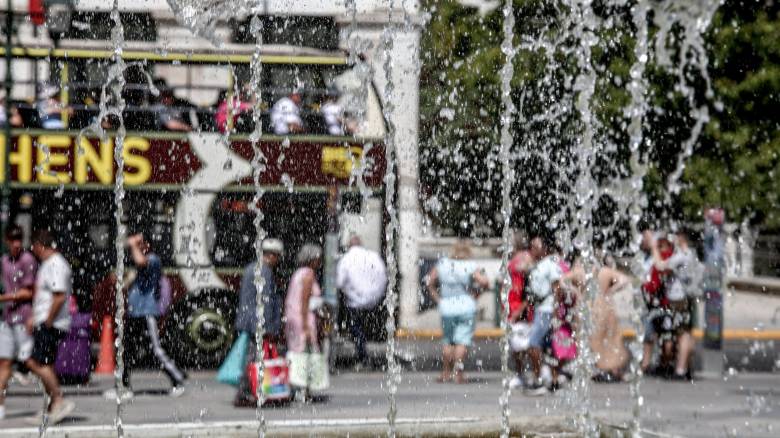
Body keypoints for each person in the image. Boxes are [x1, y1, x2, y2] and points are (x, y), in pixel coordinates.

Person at [105, 233, 187, 400]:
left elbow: (141, 262)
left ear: (148, 245)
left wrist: (133, 244)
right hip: (135, 312)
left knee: (155, 350)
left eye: (141, 243)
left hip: (147, 313)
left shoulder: (153, 259)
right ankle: (123, 386)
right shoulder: (140, 264)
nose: (137, 246)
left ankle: (178, 379)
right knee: (125, 350)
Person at [25, 229, 75, 423]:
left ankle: (59, 399)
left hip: (52, 323)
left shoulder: (56, 264)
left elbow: (60, 295)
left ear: (40, 245)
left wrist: (47, 320)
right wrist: (34, 318)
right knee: (45, 364)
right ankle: (52, 407)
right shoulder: (49, 264)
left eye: (34, 246)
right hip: (46, 321)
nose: (33, 250)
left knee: (35, 362)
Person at [426, 240, 489, 384]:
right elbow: (485, 282)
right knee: (462, 341)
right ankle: (458, 373)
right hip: (466, 306)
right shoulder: (470, 266)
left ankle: (445, 372)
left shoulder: (443, 264)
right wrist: (476, 296)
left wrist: (438, 299)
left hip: (447, 307)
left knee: (448, 341)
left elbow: (429, 281)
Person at [233, 238, 285, 407]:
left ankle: (247, 391)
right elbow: (266, 302)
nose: (278, 260)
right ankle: (246, 392)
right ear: (271, 255)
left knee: (252, 358)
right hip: (258, 323)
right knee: (255, 359)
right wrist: (269, 327)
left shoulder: (251, 268)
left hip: (248, 321)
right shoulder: (265, 272)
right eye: (277, 256)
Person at [650, 229, 701, 380]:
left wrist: (654, 247)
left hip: (679, 298)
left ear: (682, 239)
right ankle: (687, 367)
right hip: (687, 298)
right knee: (687, 332)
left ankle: (680, 369)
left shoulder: (681, 256)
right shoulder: (692, 254)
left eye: (677, 237)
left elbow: (660, 266)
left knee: (682, 334)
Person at [0, 226, 37, 420]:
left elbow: (29, 291)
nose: (16, 243)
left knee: (31, 361)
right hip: (7, 318)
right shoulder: (4, 261)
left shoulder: (27, 260)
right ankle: (0, 406)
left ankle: (55, 397)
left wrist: (3, 298)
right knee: (3, 361)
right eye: (12, 239)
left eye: (19, 239)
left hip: (24, 317)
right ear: (6, 241)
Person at [336, 235, 387, 369]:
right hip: (374, 301)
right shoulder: (373, 256)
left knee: (356, 329)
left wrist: (351, 292)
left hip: (354, 302)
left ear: (349, 246)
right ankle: (367, 353)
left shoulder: (346, 259)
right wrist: (376, 294)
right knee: (366, 327)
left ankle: (363, 357)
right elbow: (383, 275)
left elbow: (339, 282)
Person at [525, 236, 563, 395]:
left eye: (535, 247)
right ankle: (553, 382)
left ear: (544, 249)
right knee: (548, 347)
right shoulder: (537, 265)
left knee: (533, 344)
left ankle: (538, 379)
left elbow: (557, 288)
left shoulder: (550, 264)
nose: (532, 250)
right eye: (531, 246)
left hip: (547, 310)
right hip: (541, 309)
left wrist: (555, 312)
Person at [506, 232, 534, 390]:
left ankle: (532, 373)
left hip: (521, 306)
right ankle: (520, 373)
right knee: (515, 343)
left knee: (523, 343)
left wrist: (522, 307)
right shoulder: (516, 256)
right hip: (512, 304)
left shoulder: (526, 257)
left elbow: (529, 287)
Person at [285, 244, 323, 354]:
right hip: (302, 318)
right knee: (306, 351)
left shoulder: (298, 273)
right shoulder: (308, 274)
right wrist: (305, 325)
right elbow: (304, 300)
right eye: (318, 259)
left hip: (292, 316)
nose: (319, 261)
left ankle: (295, 370)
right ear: (312, 259)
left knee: (295, 350)